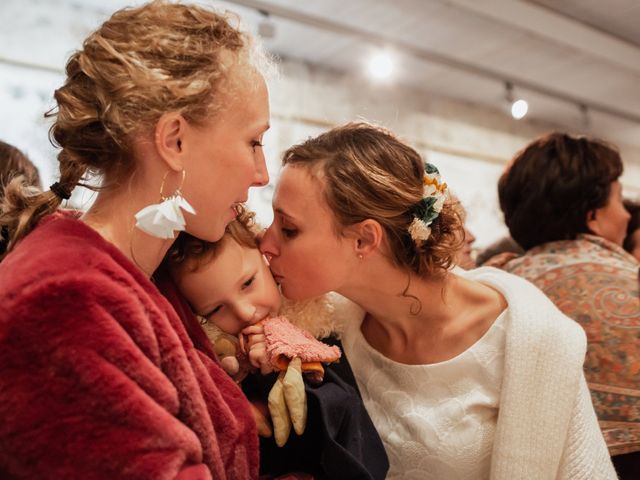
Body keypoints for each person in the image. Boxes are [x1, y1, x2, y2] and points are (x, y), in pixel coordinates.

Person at [0, 2, 271, 479]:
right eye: (253, 142)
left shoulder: (147, 274)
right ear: (174, 141)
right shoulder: (64, 299)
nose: (261, 174)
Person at [259, 122, 616, 479]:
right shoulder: (322, 327)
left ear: (364, 240)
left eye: (289, 229)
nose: (266, 243)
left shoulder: (529, 340)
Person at [163, 208, 389, 479]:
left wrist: (276, 369)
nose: (245, 312)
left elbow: (351, 433)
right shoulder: (216, 364)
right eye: (216, 309)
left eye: (248, 283)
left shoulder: (311, 327)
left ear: (264, 257)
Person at [497, 132, 640, 478]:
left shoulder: (493, 288)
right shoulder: (632, 283)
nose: (626, 216)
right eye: (620, 201)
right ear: (593, 215)